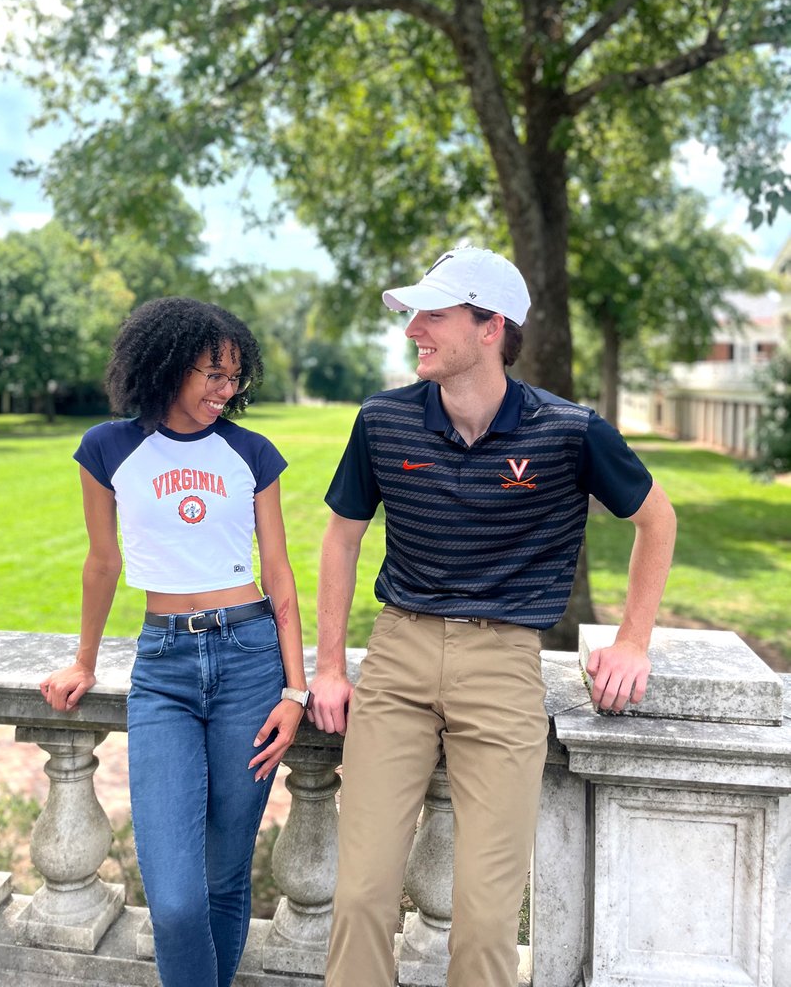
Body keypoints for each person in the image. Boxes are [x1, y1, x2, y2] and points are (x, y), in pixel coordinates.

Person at [308, 246, 676, 987]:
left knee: (483, 920)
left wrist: (634, 640)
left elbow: (656, 520)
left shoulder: (570, 431)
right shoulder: (382, 421)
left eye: (433, 315)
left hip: (504, 666)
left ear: (489, 327)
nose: (414, 329)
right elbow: (341, 540)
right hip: (398, 655)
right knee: (360, 896)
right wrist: (330, 666)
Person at [40, 297, 308, 987]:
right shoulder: (108, 448)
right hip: (163, 668)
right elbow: (103, 562)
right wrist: (84, 659)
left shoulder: (253, 453)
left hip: (250, 658)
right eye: (212, 374)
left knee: (224, 877)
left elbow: (278, 574)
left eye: (234, 379)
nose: (226, 391)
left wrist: (295, 687)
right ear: (165, 364)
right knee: (177, 896)